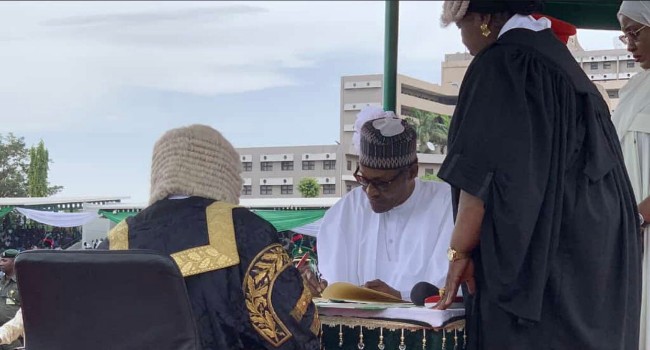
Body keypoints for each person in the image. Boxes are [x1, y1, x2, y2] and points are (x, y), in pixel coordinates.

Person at [436, 1, 641, 350]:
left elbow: (481, 176)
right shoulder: (569, 71)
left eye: (462, 27)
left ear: (484, 19)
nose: (464, 42)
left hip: (542, 273)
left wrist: (458, 254)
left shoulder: (502, 64)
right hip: (596, 264)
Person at [101, 125, 320, 350]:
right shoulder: (247, 231)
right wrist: (301, 292)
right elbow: (291, 330)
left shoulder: (115, 240)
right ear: (223, 171)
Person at [313, 106, 454, 300]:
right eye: (363, 179)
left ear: (412, 172)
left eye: (382, 183)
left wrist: (399, 297)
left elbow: (448, 288)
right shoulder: (346, 211)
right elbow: (334, 288)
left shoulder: (446, 204)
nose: (370, 192)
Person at [612, 2, 650, 349]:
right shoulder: (635, 89)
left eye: (634, 31)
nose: (628, 43)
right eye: (624, 34)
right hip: (631, 233)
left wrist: (637, 217)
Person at [0, 249, 21, 350]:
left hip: (14, 337)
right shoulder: (1, 281)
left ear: (14, 262)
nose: (0, 263)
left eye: (4, 260)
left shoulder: (23, 282)